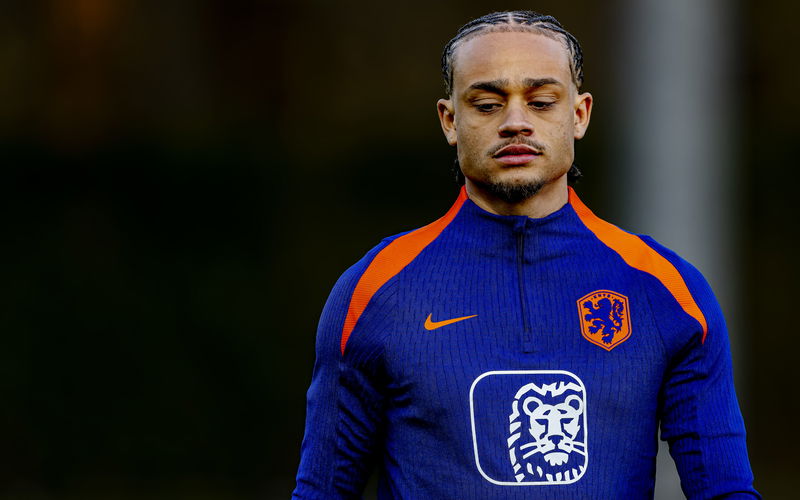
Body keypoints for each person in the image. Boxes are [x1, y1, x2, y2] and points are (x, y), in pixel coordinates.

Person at [292, 10, 759, 499]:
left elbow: (726, 492)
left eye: (540, 102)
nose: (516, 123)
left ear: (578, 115)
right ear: (450, 121)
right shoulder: (375, 291)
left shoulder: (666, 290)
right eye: (487, 104)